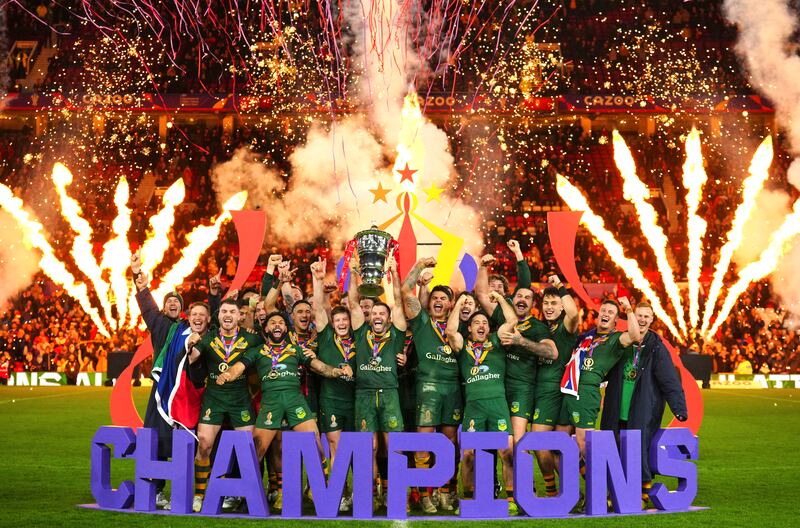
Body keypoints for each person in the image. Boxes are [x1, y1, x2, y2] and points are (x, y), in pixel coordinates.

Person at [217, 310, 351, 511]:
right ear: (266, 329)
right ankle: (248, 494)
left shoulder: (295, 349)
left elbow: (318, 367)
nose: (277, 325)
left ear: (285, 328)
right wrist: (227, 374)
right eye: (273, 323)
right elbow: (239, 367)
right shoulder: (257, 352)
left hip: (295, 400)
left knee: (315, 443)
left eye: (281, 322)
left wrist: (336, 371)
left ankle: (318, 490)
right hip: (271, 403)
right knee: (256, 451)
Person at [131, 250, 220, 509]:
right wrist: (137, 275)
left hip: (192, 394)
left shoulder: (197, 331)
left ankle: (191, 492)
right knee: (157, 441)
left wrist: (214, 295)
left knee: (192, 443)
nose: (173, 304)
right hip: (165, 392)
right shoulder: (164, 327)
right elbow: (147, 306)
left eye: (177, 302)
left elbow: (213, 319)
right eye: (169, 301)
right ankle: (156, 489)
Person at [600, 301, 687, 508]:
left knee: (638, 448)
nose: (642, 319)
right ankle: (615, 491)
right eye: (639, 315)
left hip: (643, 406)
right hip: (616, 404)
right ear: (632, 316)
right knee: (613, 447)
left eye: (646, 316)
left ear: (652, 320)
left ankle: (642, 491)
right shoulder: (621, 340)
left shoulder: (656, 345)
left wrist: (679, 408)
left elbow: (668, 379)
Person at [445, 291, 521, 515]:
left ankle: (510, 500)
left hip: (497, 405)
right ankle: (468, 502)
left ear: (489, 328)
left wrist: (498, 296)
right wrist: (460, 301)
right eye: (476, 322)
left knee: (507, 452)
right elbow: (450, 330)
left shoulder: (497, 341)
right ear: (469, 328)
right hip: (474, 407)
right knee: (468, 454)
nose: (481, 325)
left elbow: (512, 321)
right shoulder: (463, 347)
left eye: (485, 323)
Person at [186, 298, 263, 512]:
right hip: (214, 398)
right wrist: (189, 345)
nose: (227, 315)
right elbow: (193, 358)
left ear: (240, 316)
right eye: (223, 311)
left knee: (250, 448)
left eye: (232, 311)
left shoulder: (252, 340)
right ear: (218, 316)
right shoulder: (208, 338)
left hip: (240, 399)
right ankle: (199, 494)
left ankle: (250, 495)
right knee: (204, 444)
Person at [476, 255, 558, 447]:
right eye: (519, 296)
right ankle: (499, 478)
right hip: (498, 386)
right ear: (511, 300)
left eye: (527, 298)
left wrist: (521, 341)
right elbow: (481, 294)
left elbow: (552, 352)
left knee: (518, 442)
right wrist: (482, 267)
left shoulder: (538, 327)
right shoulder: (500, 316)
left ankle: (522, 478)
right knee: (499, 442)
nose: (522, 300)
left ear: (532, 304)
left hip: (521, 388)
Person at [401, 257, 461, 513]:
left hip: (453, 389)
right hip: (427, 387)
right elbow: (405, 291)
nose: (438, 301)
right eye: (434, 297)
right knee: (423, 441)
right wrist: (420, 265)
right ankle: (424, 494)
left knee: (449, 443)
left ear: (450, 305)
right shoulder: (422, 322)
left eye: (443, 298)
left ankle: (447, 491)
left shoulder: (459, 328)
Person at [348, 255, 407, 510]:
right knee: (368, 448)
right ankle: (370, 495)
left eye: (383, 312)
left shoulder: (396, 334)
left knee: (394, 446)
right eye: (374, 313)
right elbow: (352, 303)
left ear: (389, 317)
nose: (379, 316)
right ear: (369, 317)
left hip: (390, 394)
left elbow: (400, 304)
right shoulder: (361, 333)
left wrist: (394, 274)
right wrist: (353, 274)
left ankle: (396, 494)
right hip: (364, 394)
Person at [559, 298, 640, 472]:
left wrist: (628, 309)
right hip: (567, 390)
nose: (605, 314)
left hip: (586, 393)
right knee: (561, 442)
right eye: (603, 310)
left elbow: (634, 335)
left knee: (583, 444)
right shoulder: (586, 336)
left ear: (616, 320)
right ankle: (589, 488)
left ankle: (604, 486)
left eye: (611, 313)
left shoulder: (616, 339)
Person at [310, 257, 358, 512]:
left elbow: (355, 303)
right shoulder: (326, 335)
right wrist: (318, 280)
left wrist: (353, 276)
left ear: (350, 322)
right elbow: (319, 308)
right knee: (336, 447)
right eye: (337, 320)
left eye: (344, 320)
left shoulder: (360, 340)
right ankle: (341, 493)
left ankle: (360, 492)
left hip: (355, 401)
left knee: (357, 451)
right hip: (331, 400)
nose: (340, 323)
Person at [533, 275, 580, 497]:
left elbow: (574, 314)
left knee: (540, 439)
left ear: (561, 306)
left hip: (557, 392)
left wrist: (562, 286)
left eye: (554, 303)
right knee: (555, 448)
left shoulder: (567, 327)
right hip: (540, 392)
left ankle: (554, 493)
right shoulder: (540, 329)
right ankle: (576, 493)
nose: (549, 307)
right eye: (546, 303)